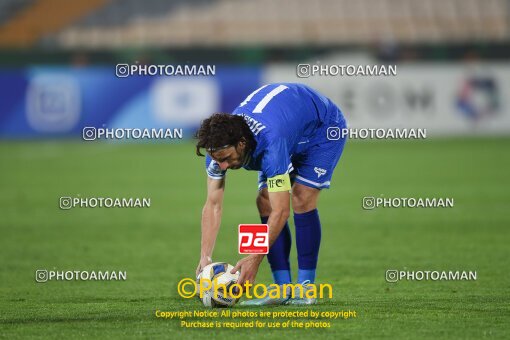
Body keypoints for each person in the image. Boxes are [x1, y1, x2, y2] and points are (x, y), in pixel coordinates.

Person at [195, 83, 347, 305]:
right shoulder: (216, 151)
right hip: (287, 129)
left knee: (301, 198)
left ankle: (305, 288)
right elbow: (213, 204)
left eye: (227, 158)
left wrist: (254, 259)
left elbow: (282, 211)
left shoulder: (271, 145)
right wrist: (205, 256)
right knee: (264, 201)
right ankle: (281, 289)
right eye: (218, 159)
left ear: (242, 143)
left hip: (321, 130)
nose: (223, 166)